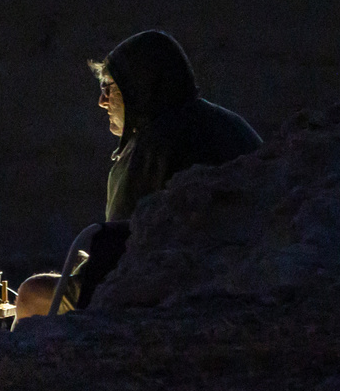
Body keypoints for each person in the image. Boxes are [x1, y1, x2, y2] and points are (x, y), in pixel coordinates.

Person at [14, 30, 263, 320]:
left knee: (33, 294)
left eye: (109, 87)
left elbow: (116, 253)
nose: (102, 101)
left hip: (163, 291)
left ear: (138, 89)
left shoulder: (149, 147)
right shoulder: (231, 125)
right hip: (248, 274)